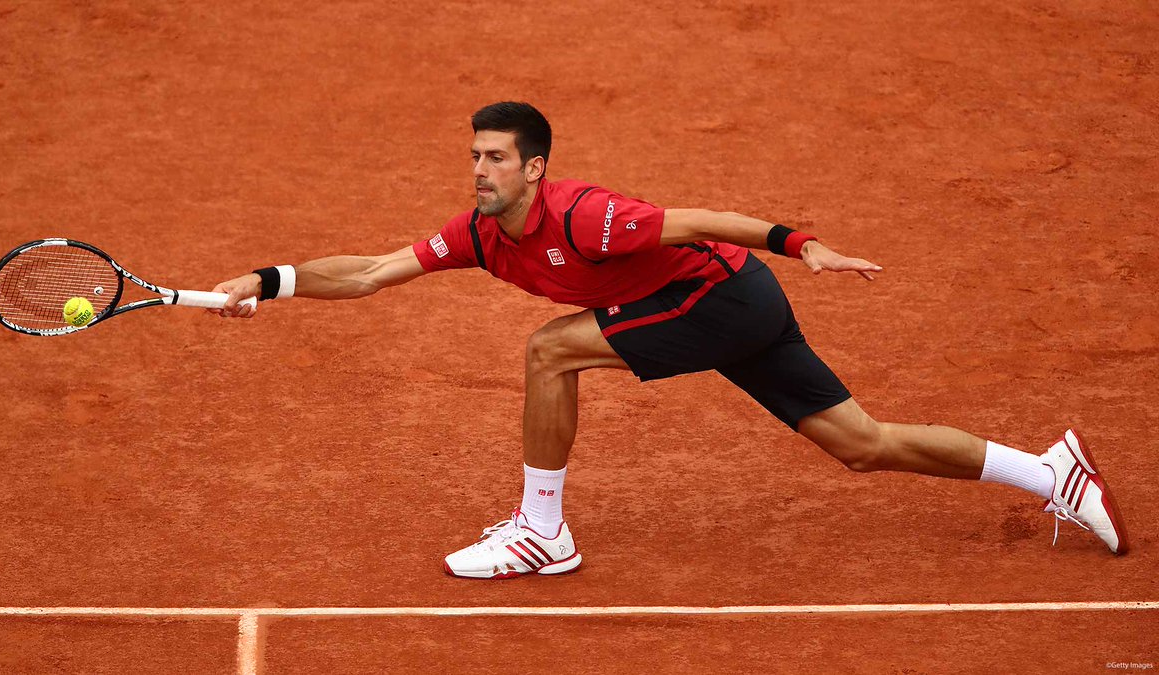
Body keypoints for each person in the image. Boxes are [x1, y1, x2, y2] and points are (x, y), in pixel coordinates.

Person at [211, 102, 1129, 578]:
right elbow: (370, 271)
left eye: (495, 158)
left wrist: (803, 244)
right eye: (474, 156)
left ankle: (542, 532)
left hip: (723, 296)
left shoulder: (590, 215)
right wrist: (267, 279)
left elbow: (704, 220)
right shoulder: (480, 233)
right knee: (861, 444)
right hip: (727, 307)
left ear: (534, 167)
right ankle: (1052, 473)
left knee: (550, 349)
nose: (478, 170)